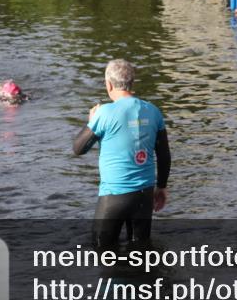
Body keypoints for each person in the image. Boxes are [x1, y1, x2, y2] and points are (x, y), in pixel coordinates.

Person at [73, 59, 171, 251]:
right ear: (132, 82)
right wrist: (162, 187)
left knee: (102, 251)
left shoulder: (104, 113)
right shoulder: (153, 111)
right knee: (142, 251)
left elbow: (78, 148)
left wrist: (91, 121)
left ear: (108, 84)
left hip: (114, 197)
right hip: (144, 196)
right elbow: (164, 154)